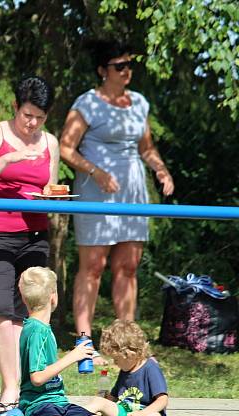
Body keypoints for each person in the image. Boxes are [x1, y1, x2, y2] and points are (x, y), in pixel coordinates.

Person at [59, 39, 174, 363]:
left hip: (132, 193)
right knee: (93, 266)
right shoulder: (88, 103)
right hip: (97, 192)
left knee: (129, 266)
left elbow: (146, 148)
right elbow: (67, 148)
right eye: (119, 66)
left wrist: (161, 171)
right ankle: (84, 342)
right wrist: (95, 172)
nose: (126, 72)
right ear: (102, 70)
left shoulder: (138, 102)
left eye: (129, 65)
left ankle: (128, 340)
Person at [0, 75, 59, 413]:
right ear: (15, 108)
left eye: (40, 118)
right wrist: (7, 160)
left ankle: (30, 387)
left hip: (35, 235)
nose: (32, 124)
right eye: (27, 115)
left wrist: (51, 194)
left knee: (32, 312)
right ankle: (9, 389)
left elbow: (52, 187)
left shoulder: (50, 142)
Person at [16, 267, 118, 416]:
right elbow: (37, 378)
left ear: (23, 298)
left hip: (59, 402)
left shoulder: (44, 328)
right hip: (37, 403)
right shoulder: (36, 331)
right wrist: (72, 357)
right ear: (53, 296)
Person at [85, 319, 168, 416]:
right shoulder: (125, 370)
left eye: (116, 359)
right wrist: (104, 396)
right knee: (98, 401)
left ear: (129, 353)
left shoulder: (150, 367)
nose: (115, 363)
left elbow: (162, 400)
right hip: (124, 412)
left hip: (144, 415)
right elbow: (114, 398)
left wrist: (143, 413)